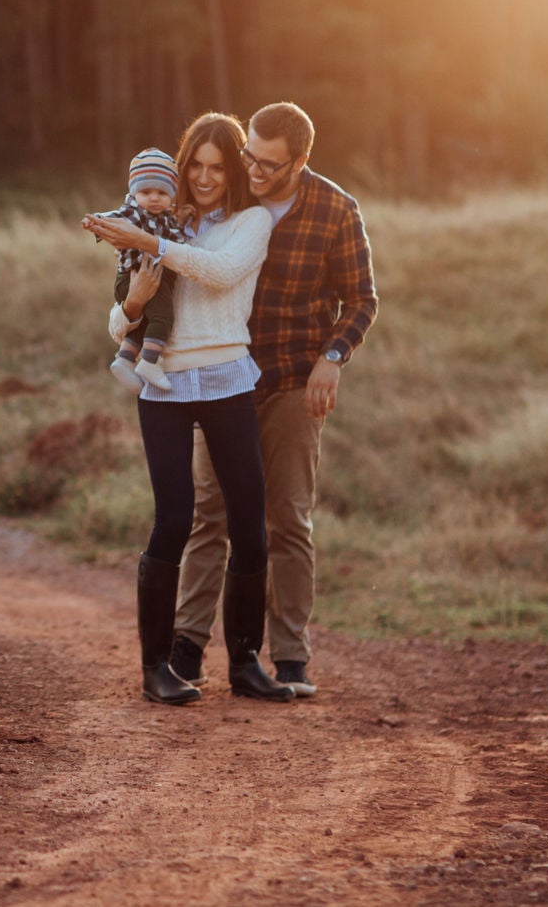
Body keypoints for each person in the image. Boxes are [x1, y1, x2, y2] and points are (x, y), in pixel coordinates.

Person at [167, 102, 379, 700]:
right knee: (210, 515)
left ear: (300, 161)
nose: (253, 169)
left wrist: (332, 359)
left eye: (268, 163)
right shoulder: (226, 199)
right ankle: (187, 645)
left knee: (287, 518)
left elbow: (361, 300)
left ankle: (289, 655)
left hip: (290, 381)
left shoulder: (336, 211)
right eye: (249, 157)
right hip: (221, 380)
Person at [85, 112, 293, 705]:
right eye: (194, 166)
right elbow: (115, 321)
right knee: (173, 519)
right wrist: (135, 301)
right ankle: (157, 669)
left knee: (249, 523)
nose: (204, 178)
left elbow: (223, 274)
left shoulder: (250, 222)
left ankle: (247, 664)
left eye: (216, 167)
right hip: (166, 385)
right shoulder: (157, 216)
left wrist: (151, 244)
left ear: (233, 171)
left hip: (228, 377)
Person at [86, 147, 192, 393]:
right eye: (146, 192)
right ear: (134, 193)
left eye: (162, 192)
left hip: (144, 279)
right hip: (135, 277)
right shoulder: (134, 212)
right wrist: (95, 222)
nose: (154, 198)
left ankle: (124, 359)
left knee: (145, 319)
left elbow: (181, 245)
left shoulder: (167, 218)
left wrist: (183, 219)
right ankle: (149, 362)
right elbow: (114, 217)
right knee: (163, 316)